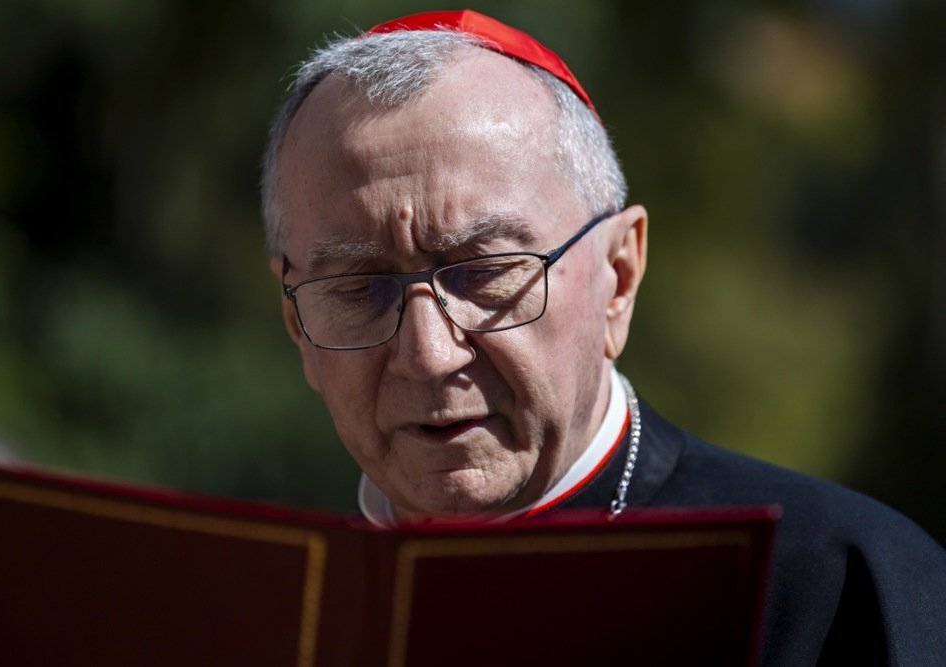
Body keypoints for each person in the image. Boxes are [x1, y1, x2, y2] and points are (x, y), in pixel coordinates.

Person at [260, 10, 946, 665]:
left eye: (485, 272)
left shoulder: (840, 587)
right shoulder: (256, 615)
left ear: (618, 278)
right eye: (357, 288)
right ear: (297, 327)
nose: (428, 355)